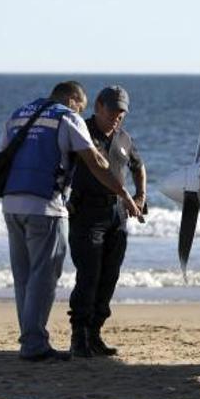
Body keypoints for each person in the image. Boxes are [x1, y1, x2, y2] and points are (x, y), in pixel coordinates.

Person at [2, 81, 141, 362]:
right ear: (73, 99)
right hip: (45, 205)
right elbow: (94, 161)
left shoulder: (18, 114)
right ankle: (34, 344)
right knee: (44, 276)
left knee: (24, 277)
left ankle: (30, 339)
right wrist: (123, 192)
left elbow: (4, 157)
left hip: (11, 203)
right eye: (82, 106)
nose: (82, 112)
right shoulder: (66, 116)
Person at [68, 85, 147, 357]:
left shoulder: (124, 138)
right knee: (88, 275)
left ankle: (95, 333)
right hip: (87, 213)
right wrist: (125, 194)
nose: (117, 116)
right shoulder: (82, 131)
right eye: (112, 110)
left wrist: (140, 196)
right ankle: (79, 336)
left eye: (122, 112)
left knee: (109, 276)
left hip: (118, 215)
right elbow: (93, 167)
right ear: (98, 106)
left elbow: (139, 166)